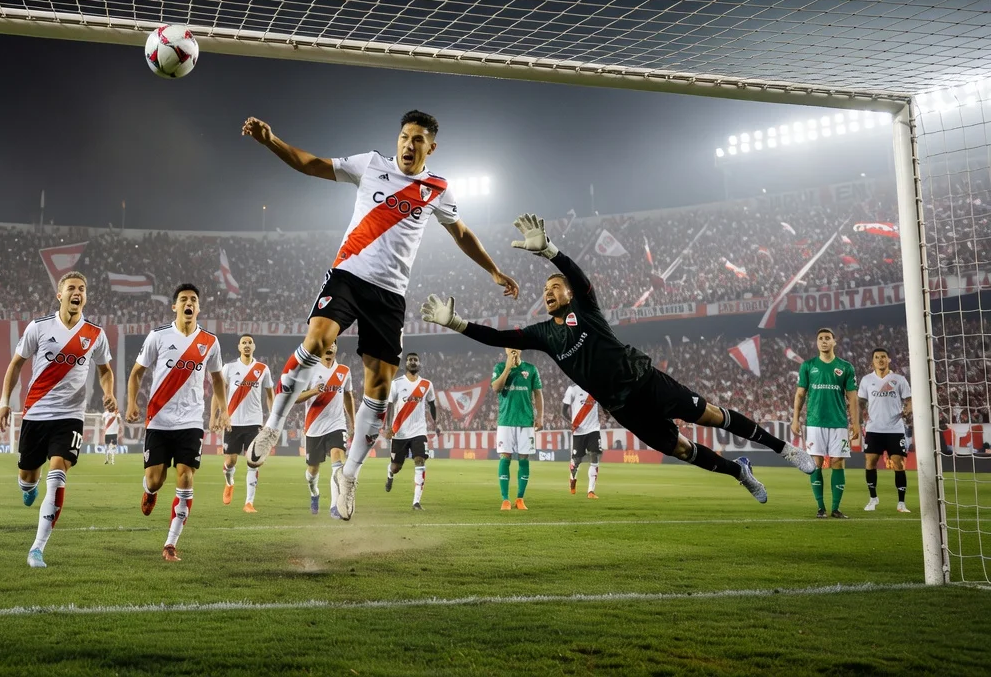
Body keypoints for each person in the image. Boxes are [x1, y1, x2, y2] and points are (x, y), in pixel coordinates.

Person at [240, 111, 519, 523]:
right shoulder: (370, 164)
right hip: (349, 274)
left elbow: (460, 232)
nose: (409, 145)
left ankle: (348, 477)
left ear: (431, 147)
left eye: (418, 140)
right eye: (405, 137)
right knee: (317, 339)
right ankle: (273, 425)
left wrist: (493, 269)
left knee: (380, 388)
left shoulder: (437, 188)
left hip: (390, 296)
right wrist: (271, 140)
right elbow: (312, 164)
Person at [421, 214, 815, 505]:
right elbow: (496, 336)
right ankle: (738, 471)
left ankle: (784, 450)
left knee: (711, 415)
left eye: (555, 287)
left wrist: (552, 254)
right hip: (622, 407)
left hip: (645, 381)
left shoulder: (587, 310)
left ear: (570, 294)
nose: (549, 292)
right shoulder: (542, 334)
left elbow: (580, 278)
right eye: (545, 290)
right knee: (681, 449)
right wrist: (456, 322)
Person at [0, 271, 115, 568]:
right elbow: (15, 364)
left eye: (82, 289)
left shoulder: (95, 334)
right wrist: (3, 403)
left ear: (85, 297)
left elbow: (105, 370)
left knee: (59, 472)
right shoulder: (39, 327)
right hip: (36, 413)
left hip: (70, 417)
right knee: (28, 477)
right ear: (59, 295)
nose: (78, 292)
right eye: (72, 288)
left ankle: (37, 548)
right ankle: (27, 486)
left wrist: (109, 393)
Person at [126, 283, 228, 561]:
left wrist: (224, 411)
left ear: (198, 307)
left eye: (194, 299)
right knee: (156, 480)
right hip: (159, 419)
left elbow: (218, 379)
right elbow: (137, 373)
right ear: (175, 306)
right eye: (184, 299)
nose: (189, 303)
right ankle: (149, 491)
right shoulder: (158, 336)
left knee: (186, 477)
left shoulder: (210, 342)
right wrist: (131, 403)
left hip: (191, 421)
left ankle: (170, 543)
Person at [792, 328, 861, 518]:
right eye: (820, 338)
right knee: (816, 463)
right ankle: (820, 508)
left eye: (827, 338)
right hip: (814, 422)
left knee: (838, 463)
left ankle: (836, 509)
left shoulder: (845, 367)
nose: (824, 341)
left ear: (834, 342)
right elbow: (800, 394)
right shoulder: (808, 366)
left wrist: (856, 423)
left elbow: (853, 398)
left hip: (838, 423)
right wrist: (795, 419)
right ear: (817, 343)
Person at [295, 343, 354, 517]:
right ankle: (314, 493)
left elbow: (348, 397)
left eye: (333, 344)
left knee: (338, 459)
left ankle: (335, 506)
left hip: (337, 424)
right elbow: (295, 397)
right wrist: (313, 391)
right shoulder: (310, 369)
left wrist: (353, 422)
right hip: (314, 427)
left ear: (336, 348)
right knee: (312, 470)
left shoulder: (344, 371)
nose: (330, 347)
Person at [221, 334, 274, 512]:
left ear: (254, 347)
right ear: (239, 347)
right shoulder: (229, 368)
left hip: (254, 423)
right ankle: (229, 482)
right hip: (233, 422)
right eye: (243, 342)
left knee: (253, 462)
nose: (246, 345)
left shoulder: (262, 369)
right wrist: (219, 415)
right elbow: (219, 392)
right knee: (230, 462)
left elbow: (269, 394)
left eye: (249, 342)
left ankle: (249, 502)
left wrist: (272, 417)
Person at [858, 348, 914, 513]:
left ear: (889, 359)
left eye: (883, 357)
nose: (880, 359)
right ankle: (873, 499)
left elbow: (909, 400)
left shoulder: (899, 379)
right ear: (872, 361)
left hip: (895, 429)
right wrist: (859, 419)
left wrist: (907, 410)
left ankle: (901, 503)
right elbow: (860, 402)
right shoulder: (867, 380)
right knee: (870, 462)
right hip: (874, 429)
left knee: (898, 463)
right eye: (877, 357)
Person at [384, 352, 437, 510]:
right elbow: (389, 405)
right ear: (405, 364)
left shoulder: (427, 384)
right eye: (410, 360)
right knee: (396, 467)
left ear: (419, 364)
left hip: (419, 431)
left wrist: (436, 423)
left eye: (416, 360)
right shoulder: (397, 383)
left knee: (420, 461)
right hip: (399, 432)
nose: (413, 362)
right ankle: (390, 473)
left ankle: (416, 502)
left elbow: (432, 405)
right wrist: (388, 427)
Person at [491, 348, 543, 510]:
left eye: (516, 345)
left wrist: (540, 416)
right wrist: (508, 368)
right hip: (506, 420)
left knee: (524, 458)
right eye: (509, 346)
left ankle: (520, 498)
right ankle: (505, 499)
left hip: (526, 421)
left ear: (521, 349)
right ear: (505, 350)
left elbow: (538, 394)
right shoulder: (499, 367)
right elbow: (496, 388)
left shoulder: (531, 369)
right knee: (505, 457)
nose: (512, 348)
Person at [562, 383, 602, 498]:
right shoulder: (573, 389)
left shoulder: (596, 388)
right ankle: (572, 479)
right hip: (579, 431)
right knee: (576, 462)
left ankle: (591, 491)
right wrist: (572, 422)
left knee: (595, 457)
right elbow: (563, 411)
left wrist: (606, 412)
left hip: (594, 429)